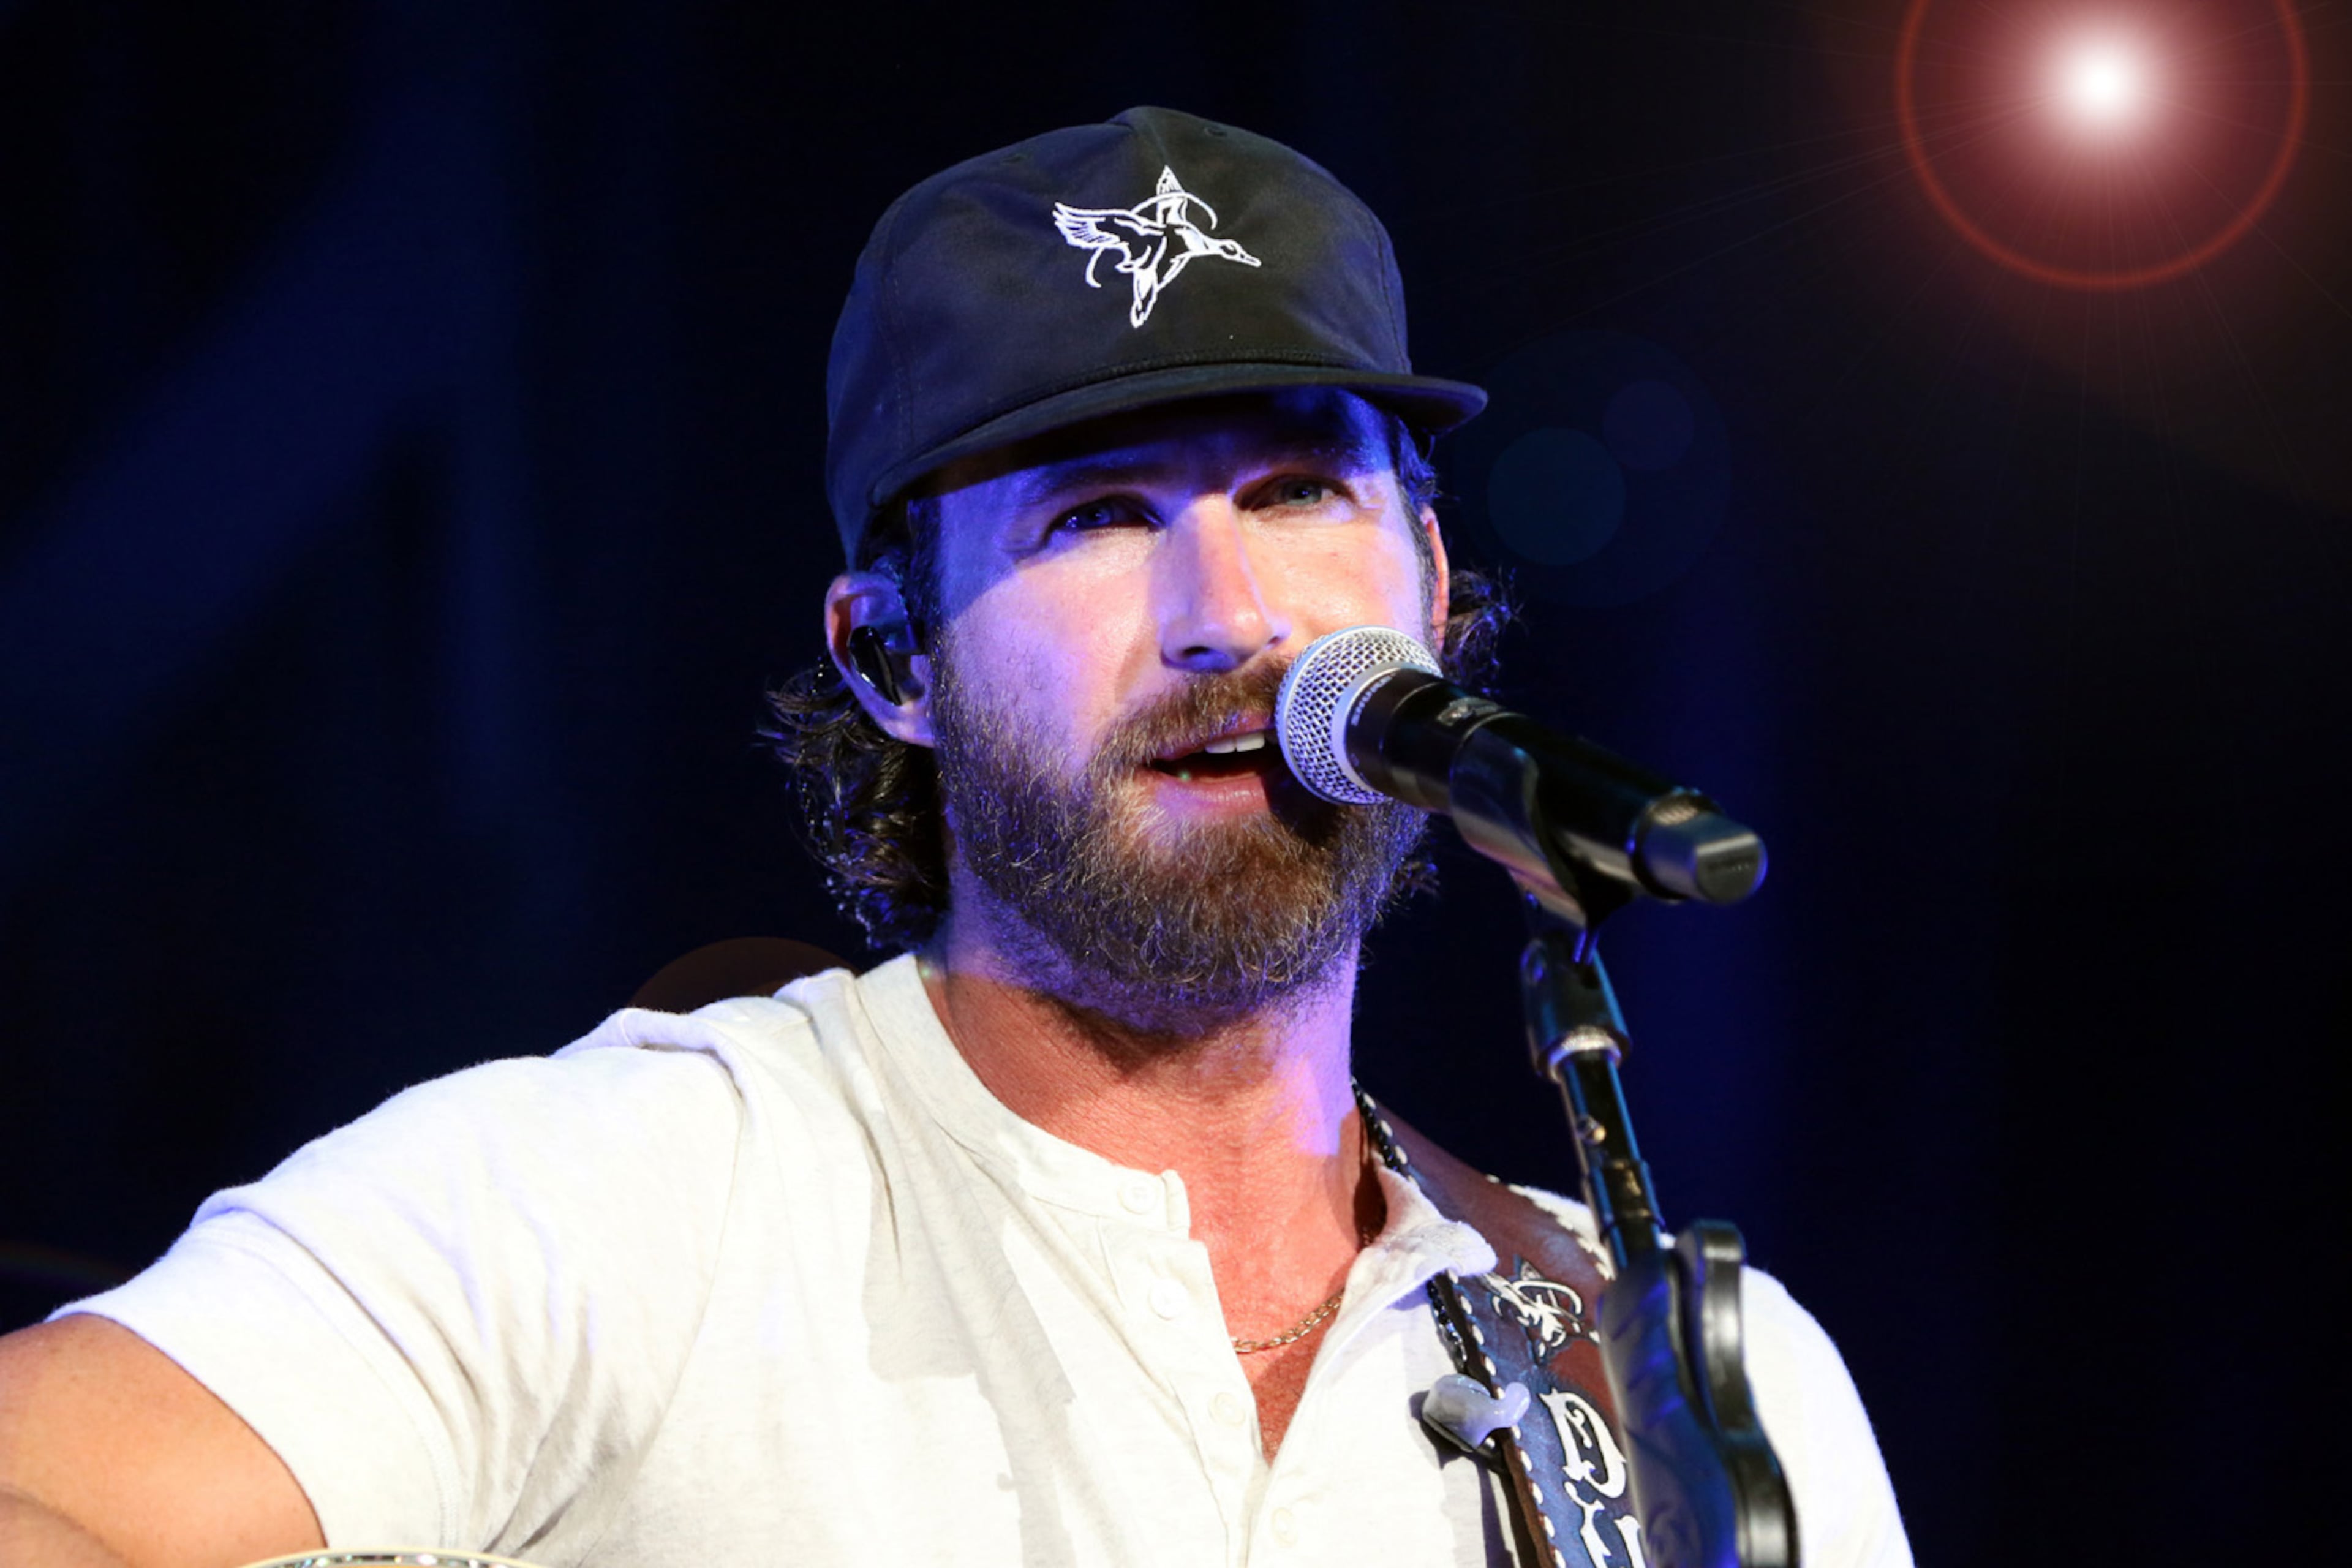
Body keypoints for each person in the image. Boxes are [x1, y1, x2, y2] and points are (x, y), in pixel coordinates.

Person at [0, 107, 1910, 1567]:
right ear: (893, 652)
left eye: (1300, 486)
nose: (1224, 612)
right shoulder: (630, 1193)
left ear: (1420, 571)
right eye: (1092, 518)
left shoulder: (1692, 1394)